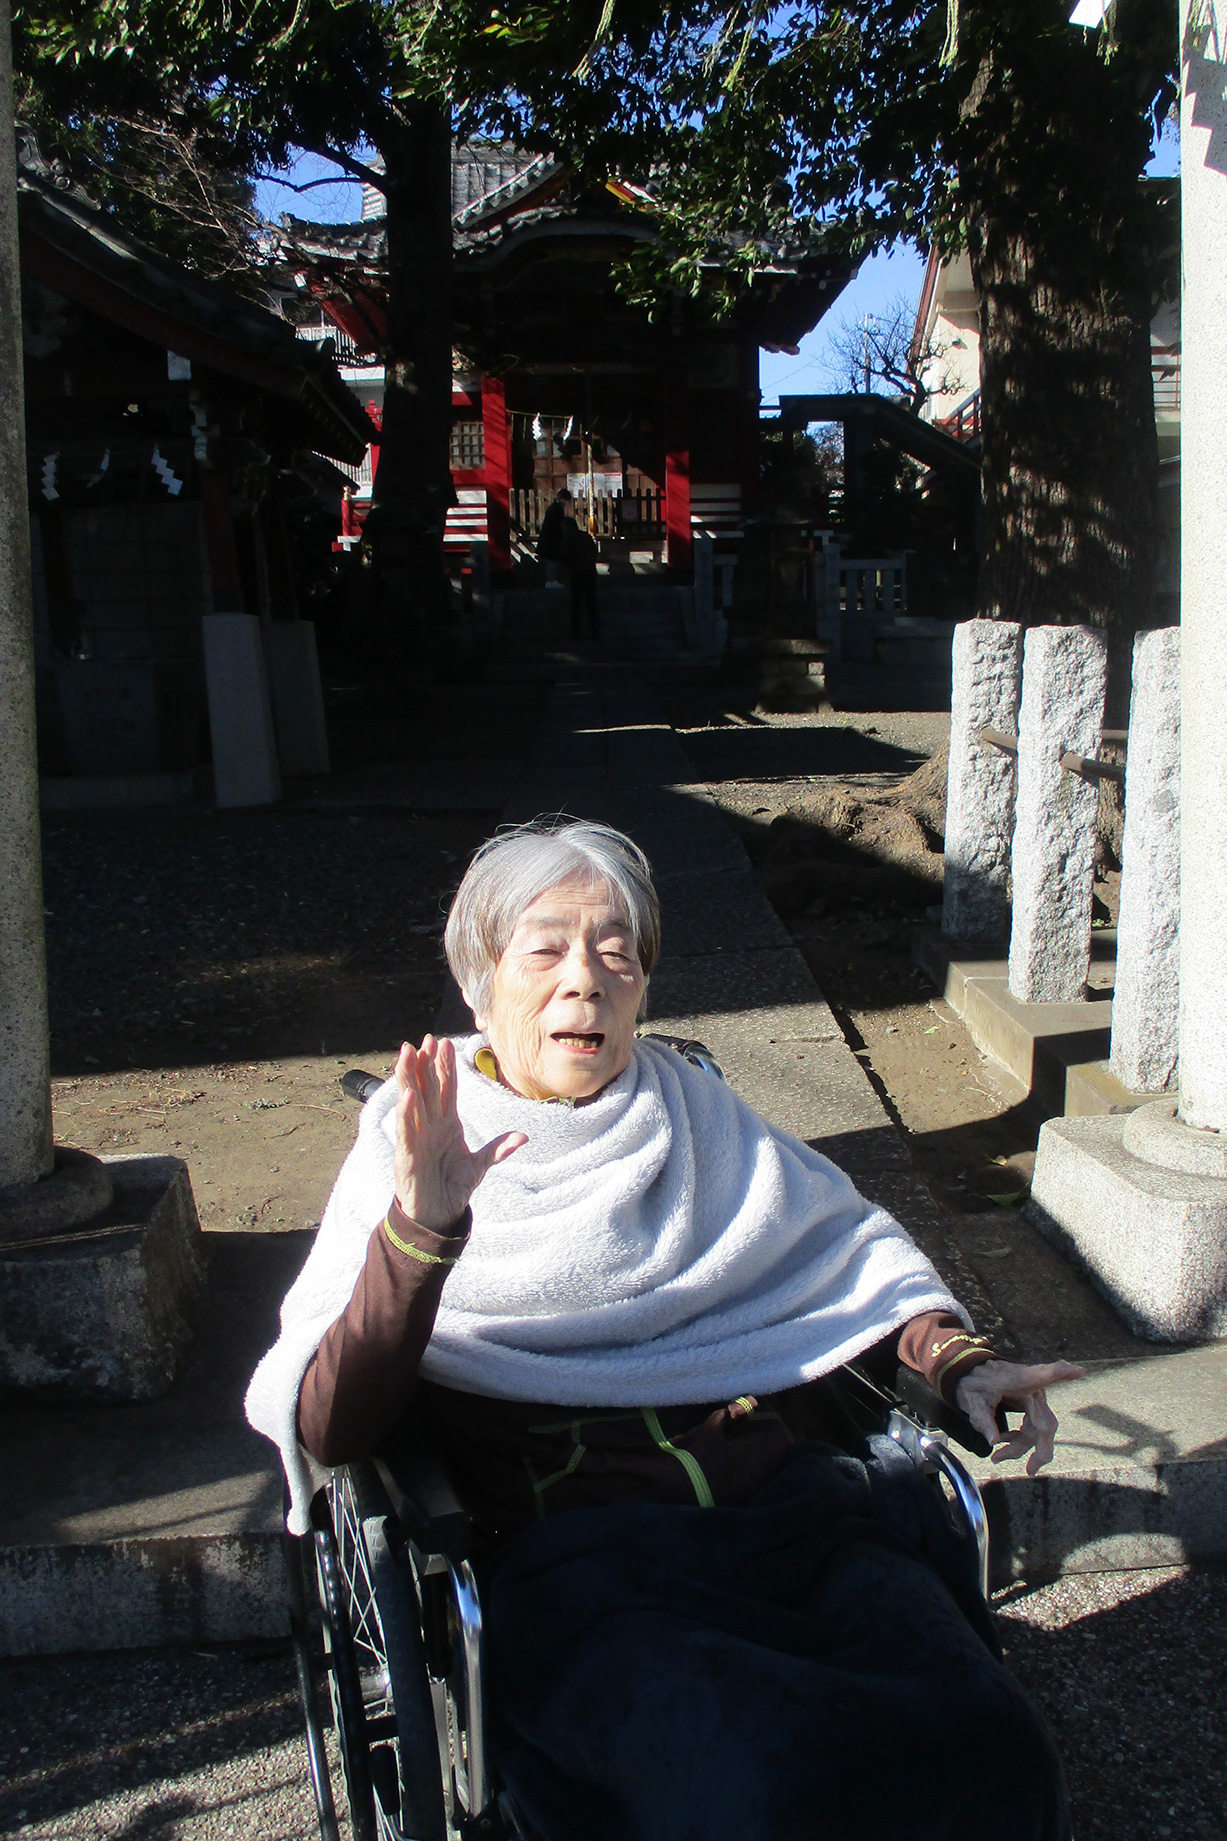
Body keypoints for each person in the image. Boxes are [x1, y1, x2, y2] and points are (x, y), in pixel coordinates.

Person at [247, 820, 1078, 1841]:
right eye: (546, 947)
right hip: (589, 1563)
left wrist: (960, 1366)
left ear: (643, 985)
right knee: (757, 1785)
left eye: (617, 953)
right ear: (480, 979)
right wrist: (423, 1228)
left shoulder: (699, 1118)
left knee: (996, 1748)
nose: (585, 980)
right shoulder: (418, 1144)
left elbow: (845, 1256)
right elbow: (333, 1424)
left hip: (797, 1517)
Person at [562, 515, 600, 640]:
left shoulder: (569, 539)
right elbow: (594, 553)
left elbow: (565, 555)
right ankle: (595, 632)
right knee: (591, 604)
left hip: (576, 572)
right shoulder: (586, 537)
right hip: (589, 571)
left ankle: (575, 632)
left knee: (576, 604)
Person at [536, 486, 572, 589]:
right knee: (552, 561)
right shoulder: (557, 510)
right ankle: (551, 580)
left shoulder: (553, 508)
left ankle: (551, 580)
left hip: (548, 539)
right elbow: (556, 525)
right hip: (551, 540)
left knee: (551, 561)